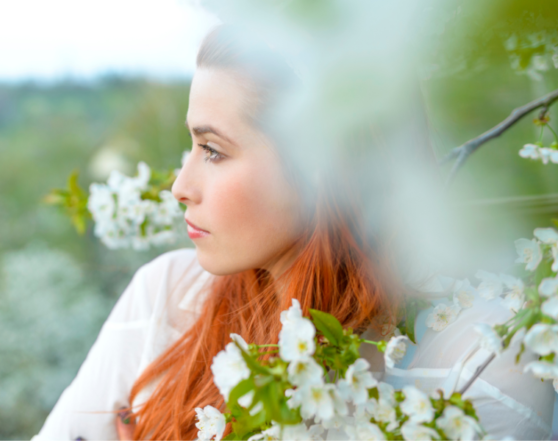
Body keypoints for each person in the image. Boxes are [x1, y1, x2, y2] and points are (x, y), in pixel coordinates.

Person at [33, 25, 555, 440]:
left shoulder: (486, 359)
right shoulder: (167, 296)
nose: (181, 186)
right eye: (191, 146)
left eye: (213, 150)